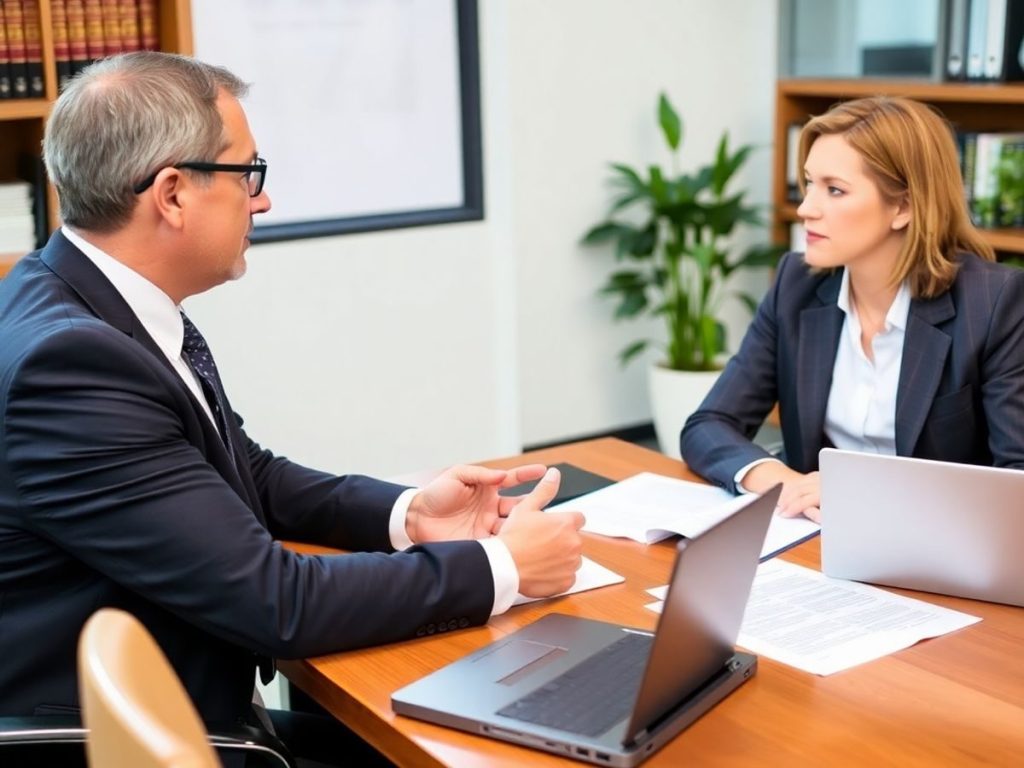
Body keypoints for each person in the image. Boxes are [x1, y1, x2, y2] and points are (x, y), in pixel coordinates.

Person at [0, 52, 585, 767]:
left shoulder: (84, 297)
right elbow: (278, 604)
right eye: (248, 174)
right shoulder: (71, 367)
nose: (263, 200)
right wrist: (502, 566)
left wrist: (407, 515)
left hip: (181, 701)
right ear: (173, 194)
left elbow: (245, 471)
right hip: (132, 741)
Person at [681, 96, 1024, 523]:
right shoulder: (797, 283)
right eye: (808, 183)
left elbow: (1016, 479)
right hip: (812, 538)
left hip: (931, 549)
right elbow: (709, 425)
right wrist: (783, 482)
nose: (806, 208)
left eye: (835, 189)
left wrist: (860, 493)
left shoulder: (993, 303)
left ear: (904, 207)